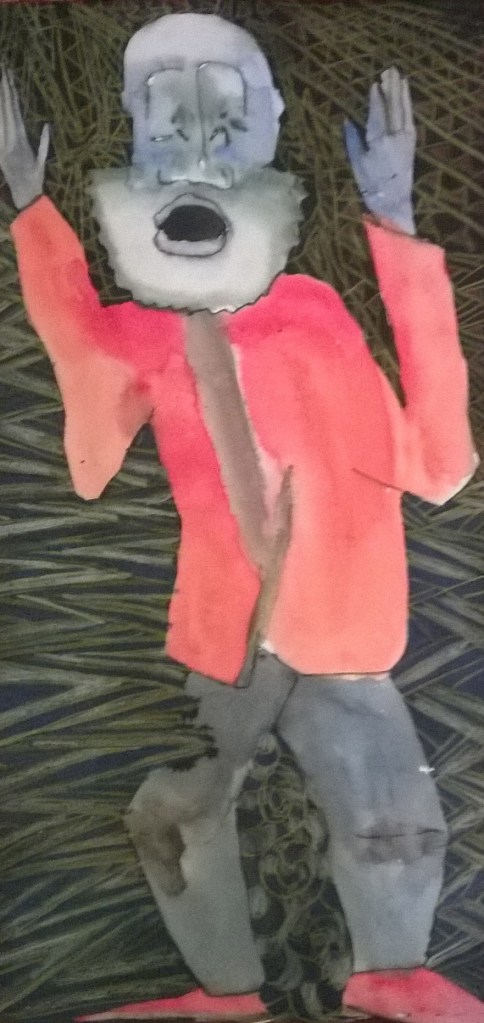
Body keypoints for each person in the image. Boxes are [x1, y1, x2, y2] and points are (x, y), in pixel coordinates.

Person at [1, 14, 481, 1023]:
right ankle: (222, 993)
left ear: (269, 127)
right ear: (133, 136)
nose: (196, 144)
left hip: (345, 627)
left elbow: (438, 465)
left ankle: (394, 972)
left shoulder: (315, 315)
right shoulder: (142, 333)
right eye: (165, 116)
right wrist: (31, 213)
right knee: (177, 813)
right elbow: (91, 436)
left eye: (225, 113)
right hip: (221, 632)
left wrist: (396, 229)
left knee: (389, 815)